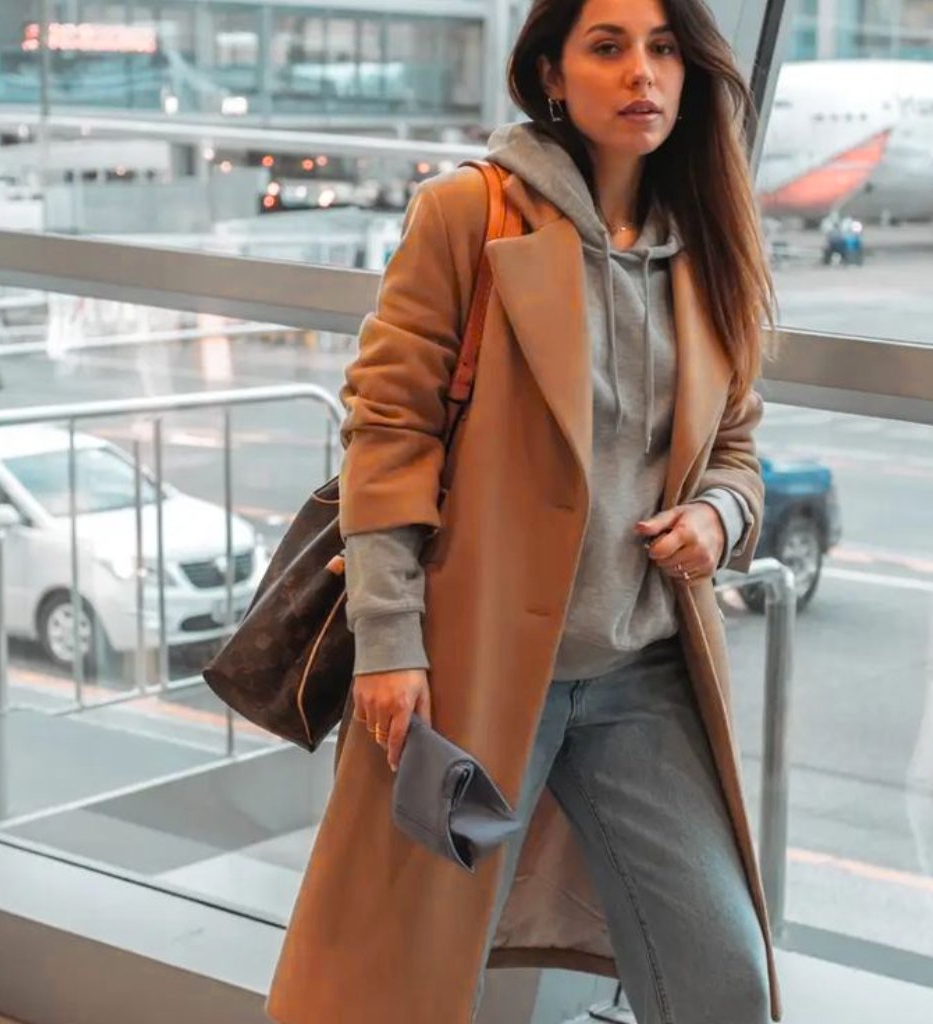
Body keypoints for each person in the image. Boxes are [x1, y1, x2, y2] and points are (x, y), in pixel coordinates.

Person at [266, 0, 780, 1021]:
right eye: (609, 46)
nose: (644, 72)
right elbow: (387, 431)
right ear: (550, 75)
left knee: (724, 978)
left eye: (665, 48)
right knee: (398, 983)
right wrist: (388, 640)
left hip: (642, 676)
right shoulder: (471, 213)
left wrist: (721, 515)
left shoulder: (708, 240)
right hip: (476, 669)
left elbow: (737, 446)